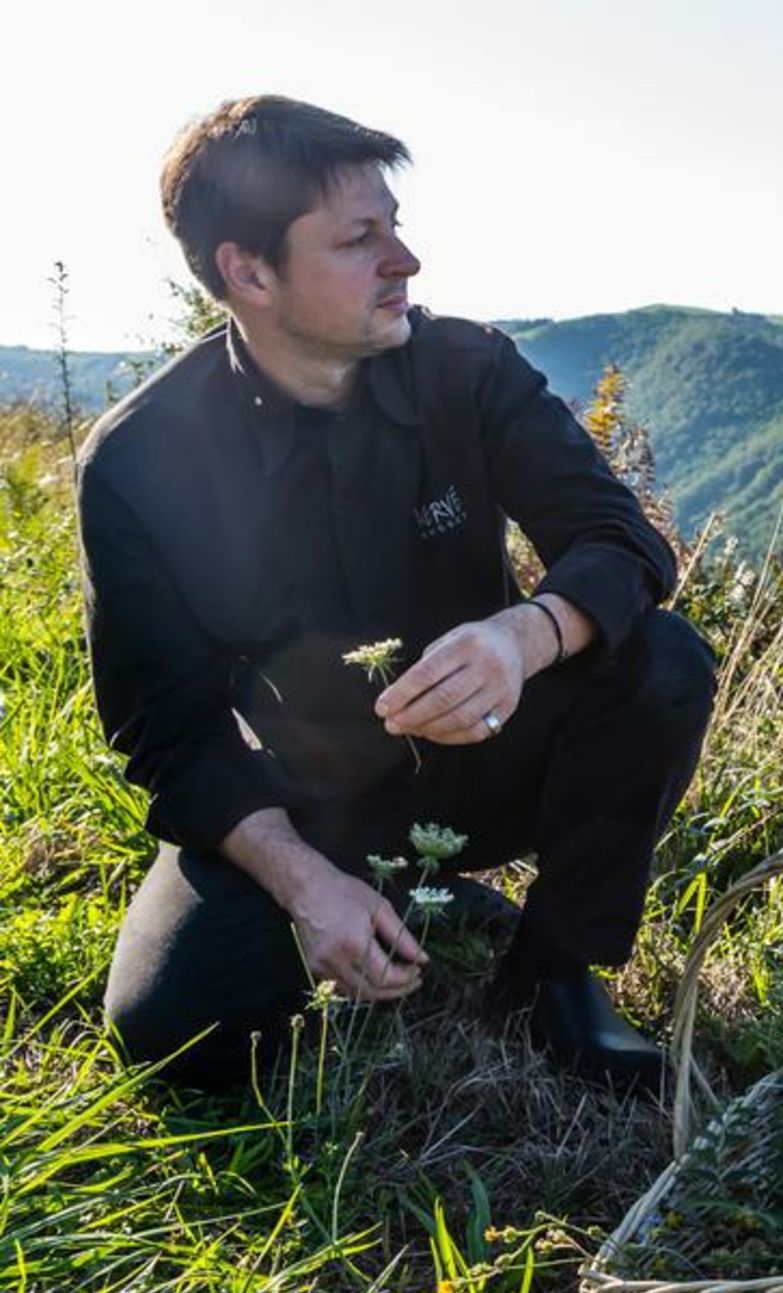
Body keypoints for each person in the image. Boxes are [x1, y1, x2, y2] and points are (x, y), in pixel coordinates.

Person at [76, 95, 717, 1091]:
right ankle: (401, 900)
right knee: (172, 1027)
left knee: (664, 661)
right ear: (248, 272)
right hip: (310, 804)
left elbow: (621, 540)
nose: (404, 259)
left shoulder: (469, 369)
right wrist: (303, 882)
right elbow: (166, 726)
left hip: (500, 754)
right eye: (358, 237)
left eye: (395, 224)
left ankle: (552, 971)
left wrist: (525, 633)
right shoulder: (141, 459)